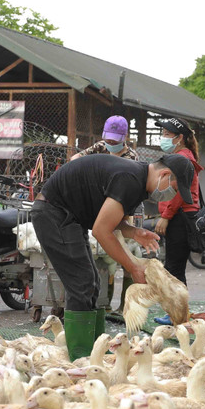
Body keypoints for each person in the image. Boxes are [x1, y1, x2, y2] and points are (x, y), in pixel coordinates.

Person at [30, 151, 194, 359]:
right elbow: (101, 231)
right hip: (53, 213)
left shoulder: (137, 180)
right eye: (175, 188)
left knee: (92, 284)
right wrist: (133, 267)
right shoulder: (131, 179)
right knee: (81, 284)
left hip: (68, 217)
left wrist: (134, 232)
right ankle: (80, 356)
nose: (172, 194)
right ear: (164, 175)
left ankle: (97, 348)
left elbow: (110, 221)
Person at [71, 115, 139, 314]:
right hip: (99, 211)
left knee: (126, 257)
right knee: (103, 258)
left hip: (123, 213)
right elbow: (75, 160)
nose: (110, 144)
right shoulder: (100, 147)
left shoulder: (131, 159)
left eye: (114, 141)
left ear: (124, 137)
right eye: (108, 139)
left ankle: (125, 306)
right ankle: (104, 304)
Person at [152, 116, 201, 326]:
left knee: (175, 268)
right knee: (174, 267)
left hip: (179, 218)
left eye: (166, 134)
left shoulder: (183, 158)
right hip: (179, 217)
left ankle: (177, 315)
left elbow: (180, 192)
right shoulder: (183, 156)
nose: (162, 138)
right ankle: (177, 313)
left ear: (179, 138)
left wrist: (165, 216)